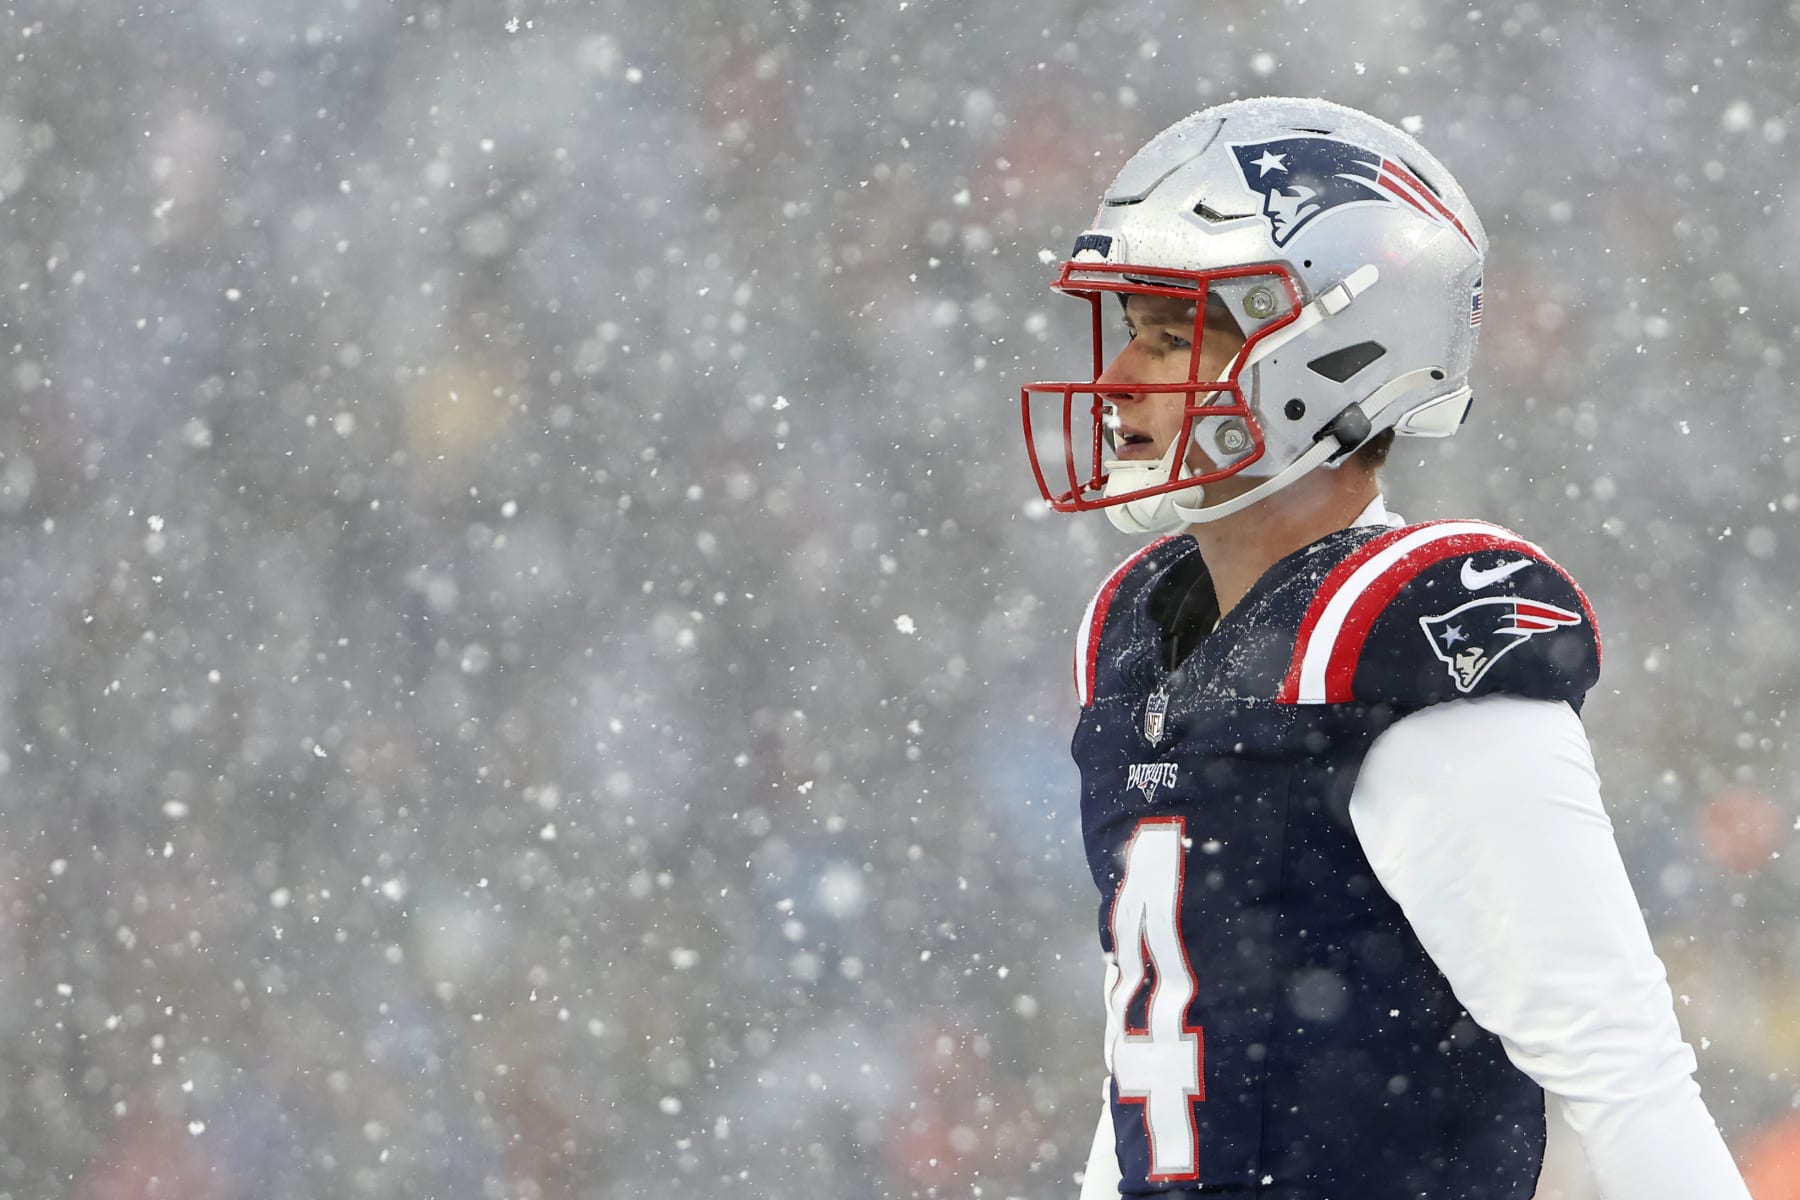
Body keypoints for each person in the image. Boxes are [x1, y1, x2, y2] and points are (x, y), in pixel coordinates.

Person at [1017, 97, 1750, 1199]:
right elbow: (1153, 1074)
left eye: (1171, 337)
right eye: (1129, 330)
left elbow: (1622, 1074)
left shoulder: (1400, 646)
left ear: (1329, 349)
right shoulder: (1142, 637)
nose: (1121, 377)